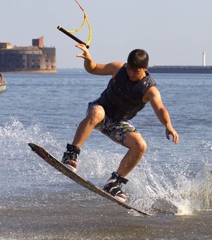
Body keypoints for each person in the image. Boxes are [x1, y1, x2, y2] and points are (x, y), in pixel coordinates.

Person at [62, 44, 179, 202]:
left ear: (144, 68)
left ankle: (114, 183)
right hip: (100, 111)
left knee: (140, 146)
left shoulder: (149, 90)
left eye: (135, 70)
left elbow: (160, 109)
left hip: (118, 123)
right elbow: (93, 68)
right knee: (98, 112)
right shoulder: (118, 68)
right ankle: (71, 153)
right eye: (129, 68)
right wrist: (88, 59)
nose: (130, 73)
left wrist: (168, 125)